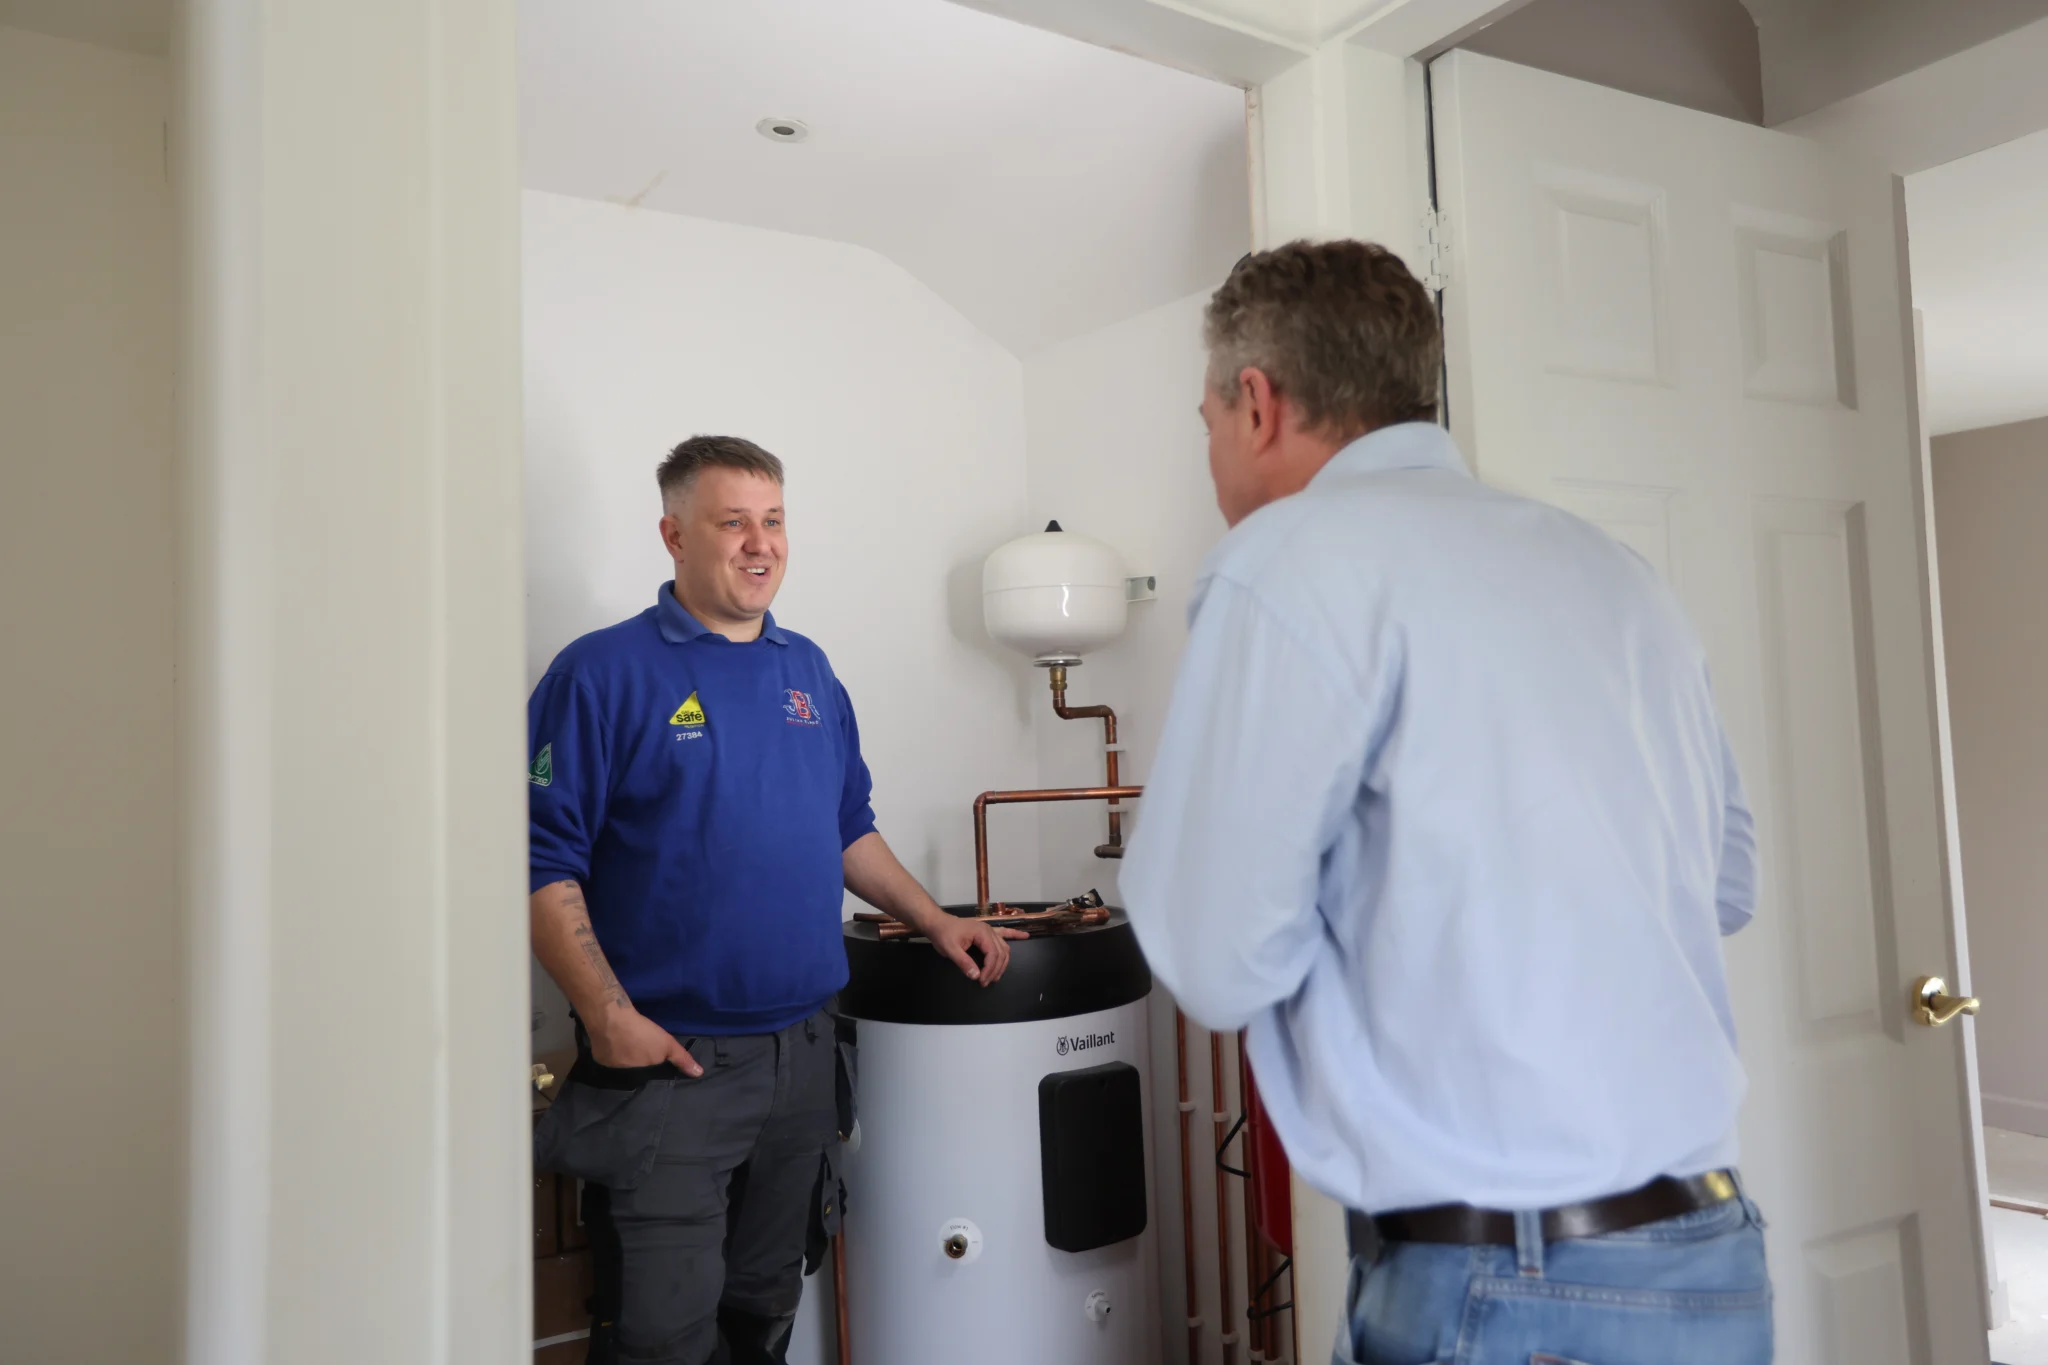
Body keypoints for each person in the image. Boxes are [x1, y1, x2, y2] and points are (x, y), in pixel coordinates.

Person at [1121, 242, 1770, 1365]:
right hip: (1707, 1259)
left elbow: (1215, 960)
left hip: (1506, 1289)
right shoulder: (1615, 574)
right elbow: (1726, 882)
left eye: (1209, 419)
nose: (1214, 452)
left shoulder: (1287, 560)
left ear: (1257, 404)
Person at [527, 435, 1021, 1365]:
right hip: (673, 1069)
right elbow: (539, 861)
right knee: (660, 1336)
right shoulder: (599, 674)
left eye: (774, 520)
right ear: (674, 535)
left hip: (802, 1057)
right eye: (733, 522)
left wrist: (935, 919)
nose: (761, 544)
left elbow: (848, 827)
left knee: (762, 1314)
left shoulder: (810, 672)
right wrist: (608, 1015)